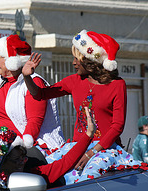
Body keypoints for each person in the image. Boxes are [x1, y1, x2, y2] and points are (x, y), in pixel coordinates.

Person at [22, 29, 141, 184]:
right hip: (77, 146)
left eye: (77, 59)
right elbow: (40, 94)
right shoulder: (74, 81)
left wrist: (92, 152)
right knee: (42, 171)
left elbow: (117, 126)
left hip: (104, 149)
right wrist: (27, 76)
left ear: (90, 60)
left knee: (86, 179)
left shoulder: (117, 85)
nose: (73, 63)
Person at [0, 107, 96, 189]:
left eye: (23, 158)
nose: (21, 163)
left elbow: (66, 162)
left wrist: (88, 135)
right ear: (2, 162)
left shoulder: (36, 175)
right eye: (16, 160)